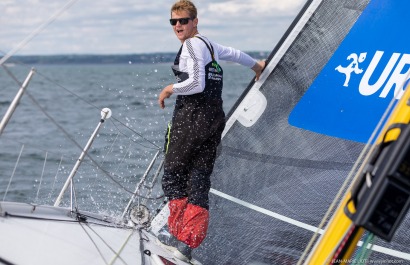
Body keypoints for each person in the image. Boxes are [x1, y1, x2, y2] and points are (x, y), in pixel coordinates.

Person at [157, 0, 265, 262]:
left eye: (183, 20)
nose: (178, 26)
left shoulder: (192, 45)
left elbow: (194, 83)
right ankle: (187, 245)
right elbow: (236, 54)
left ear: (195, 21)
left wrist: (170, 88)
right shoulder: (209, 45)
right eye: (174, 22)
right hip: (213, 121)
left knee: (172, 177)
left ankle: (177, 235)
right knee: (198, 180)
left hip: (191, 120)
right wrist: (256, 66)